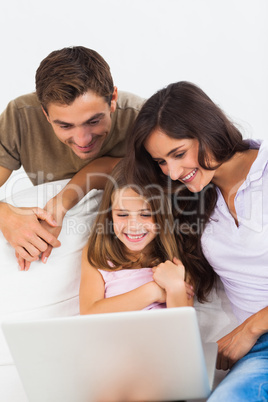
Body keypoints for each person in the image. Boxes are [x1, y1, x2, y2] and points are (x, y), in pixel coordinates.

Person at [127, 81, 268, 401]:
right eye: (162, 161)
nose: (173, 171)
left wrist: (252, 326)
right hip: (261, 354)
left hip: (255, 334)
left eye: (178, 153)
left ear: (207, 128)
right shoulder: (194, 201)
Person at [0, 46, 144, 270]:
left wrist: (62, 202)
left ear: (113, 99)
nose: (83, 139)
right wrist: (6, 217)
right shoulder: (21, 117)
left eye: (94, 121)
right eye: (65, 126)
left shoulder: (143, 119)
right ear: (45, 114)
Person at [79, 161, 194, 314]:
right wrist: (153, 291)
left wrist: (175, 287)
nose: (133, 226)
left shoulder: (177, 257)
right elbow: (89, 313)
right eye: (122, 214)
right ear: (109, 215)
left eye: (145, 214)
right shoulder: (98, 253)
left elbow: (183, 331)